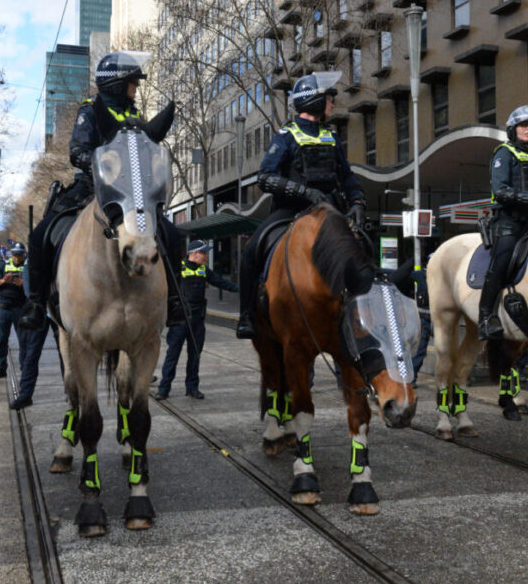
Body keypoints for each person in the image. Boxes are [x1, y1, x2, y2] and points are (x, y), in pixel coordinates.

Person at [18, 51, 183, 332]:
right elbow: (77, 151)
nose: (136, 88)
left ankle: (175, 300)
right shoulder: (90, 109)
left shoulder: (135, 116)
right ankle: (36, 302)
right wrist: (101, 166)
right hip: (89, 187)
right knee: (40, 235)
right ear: (116, 85)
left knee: (171, 234)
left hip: (130, 191)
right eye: (133, 82)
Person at [235, 71, 366, 339]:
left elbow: (347, 176)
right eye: (328, 98)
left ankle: (364, 312)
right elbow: (265, 177)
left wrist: (357, 202)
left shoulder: (332, 137)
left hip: (329, 211)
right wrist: (305, 193)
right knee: (251, 252)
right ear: (313, 100)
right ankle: (246, 315)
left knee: (363, 245)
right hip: (290, 211)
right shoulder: (286, 135)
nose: (332, 103)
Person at [478, 105, 528, 340]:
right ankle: (485, 317)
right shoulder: (504, 154)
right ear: (513, 129)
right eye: (523, 125)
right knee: (501, 261)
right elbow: (501, 191)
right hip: (509, 222)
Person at [155, 240, 238, 400]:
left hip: (197, 320)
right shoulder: (177, 269)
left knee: (195, 356)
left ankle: (192, 388)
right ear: (194, 253)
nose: (207, 256)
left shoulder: (203, 270)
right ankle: (164, 389)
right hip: (180, 320)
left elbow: (221, 282)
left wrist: (241, 289)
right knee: (173, 355)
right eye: (204, 253)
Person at [10, 246, 52, 410]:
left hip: (49, 308)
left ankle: (25, 394)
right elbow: (28, 289)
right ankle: (25, 394)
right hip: (37, 310)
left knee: (29, 355)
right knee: (27, 354)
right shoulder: (32, 261)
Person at [0, 243, 29, 380]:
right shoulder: (3, 265)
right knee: (1, 340)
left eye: (20, 254)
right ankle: (0, 368)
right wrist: (3, 281)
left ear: (24, 254)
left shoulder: (28, 266)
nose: (17, 257)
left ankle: (25, 368)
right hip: (4, 308)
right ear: (11, 254)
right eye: (15, 254)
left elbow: (36, 284)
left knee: (23, 341)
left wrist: (24, 284)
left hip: (21, 308)